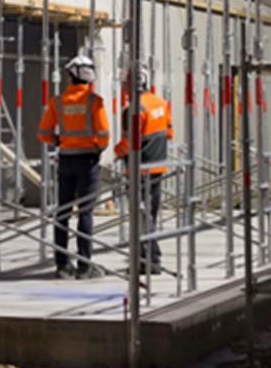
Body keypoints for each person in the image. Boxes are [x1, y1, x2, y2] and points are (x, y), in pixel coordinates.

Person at [38, 55, 109, 279]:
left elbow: (43, 133)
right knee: (85, 213)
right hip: (88, 161)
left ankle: (62, 265)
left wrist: (58, 142)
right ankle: (85, 265)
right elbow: (104, 135)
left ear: (71, 76)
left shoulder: (57, 102)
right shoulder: (94, 102)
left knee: (63, 212)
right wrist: (97, 148)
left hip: (66, 160)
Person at [114, 64, 173, 275]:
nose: (122, 86)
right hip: (158, 166)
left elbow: (130, 142)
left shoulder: (134, 109)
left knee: (141, 216)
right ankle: (144, 258)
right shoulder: (160, 103)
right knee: (150, 214)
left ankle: (151, 259)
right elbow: (169, 132)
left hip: (139, 169)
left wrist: (117, 152)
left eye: (125, 82)